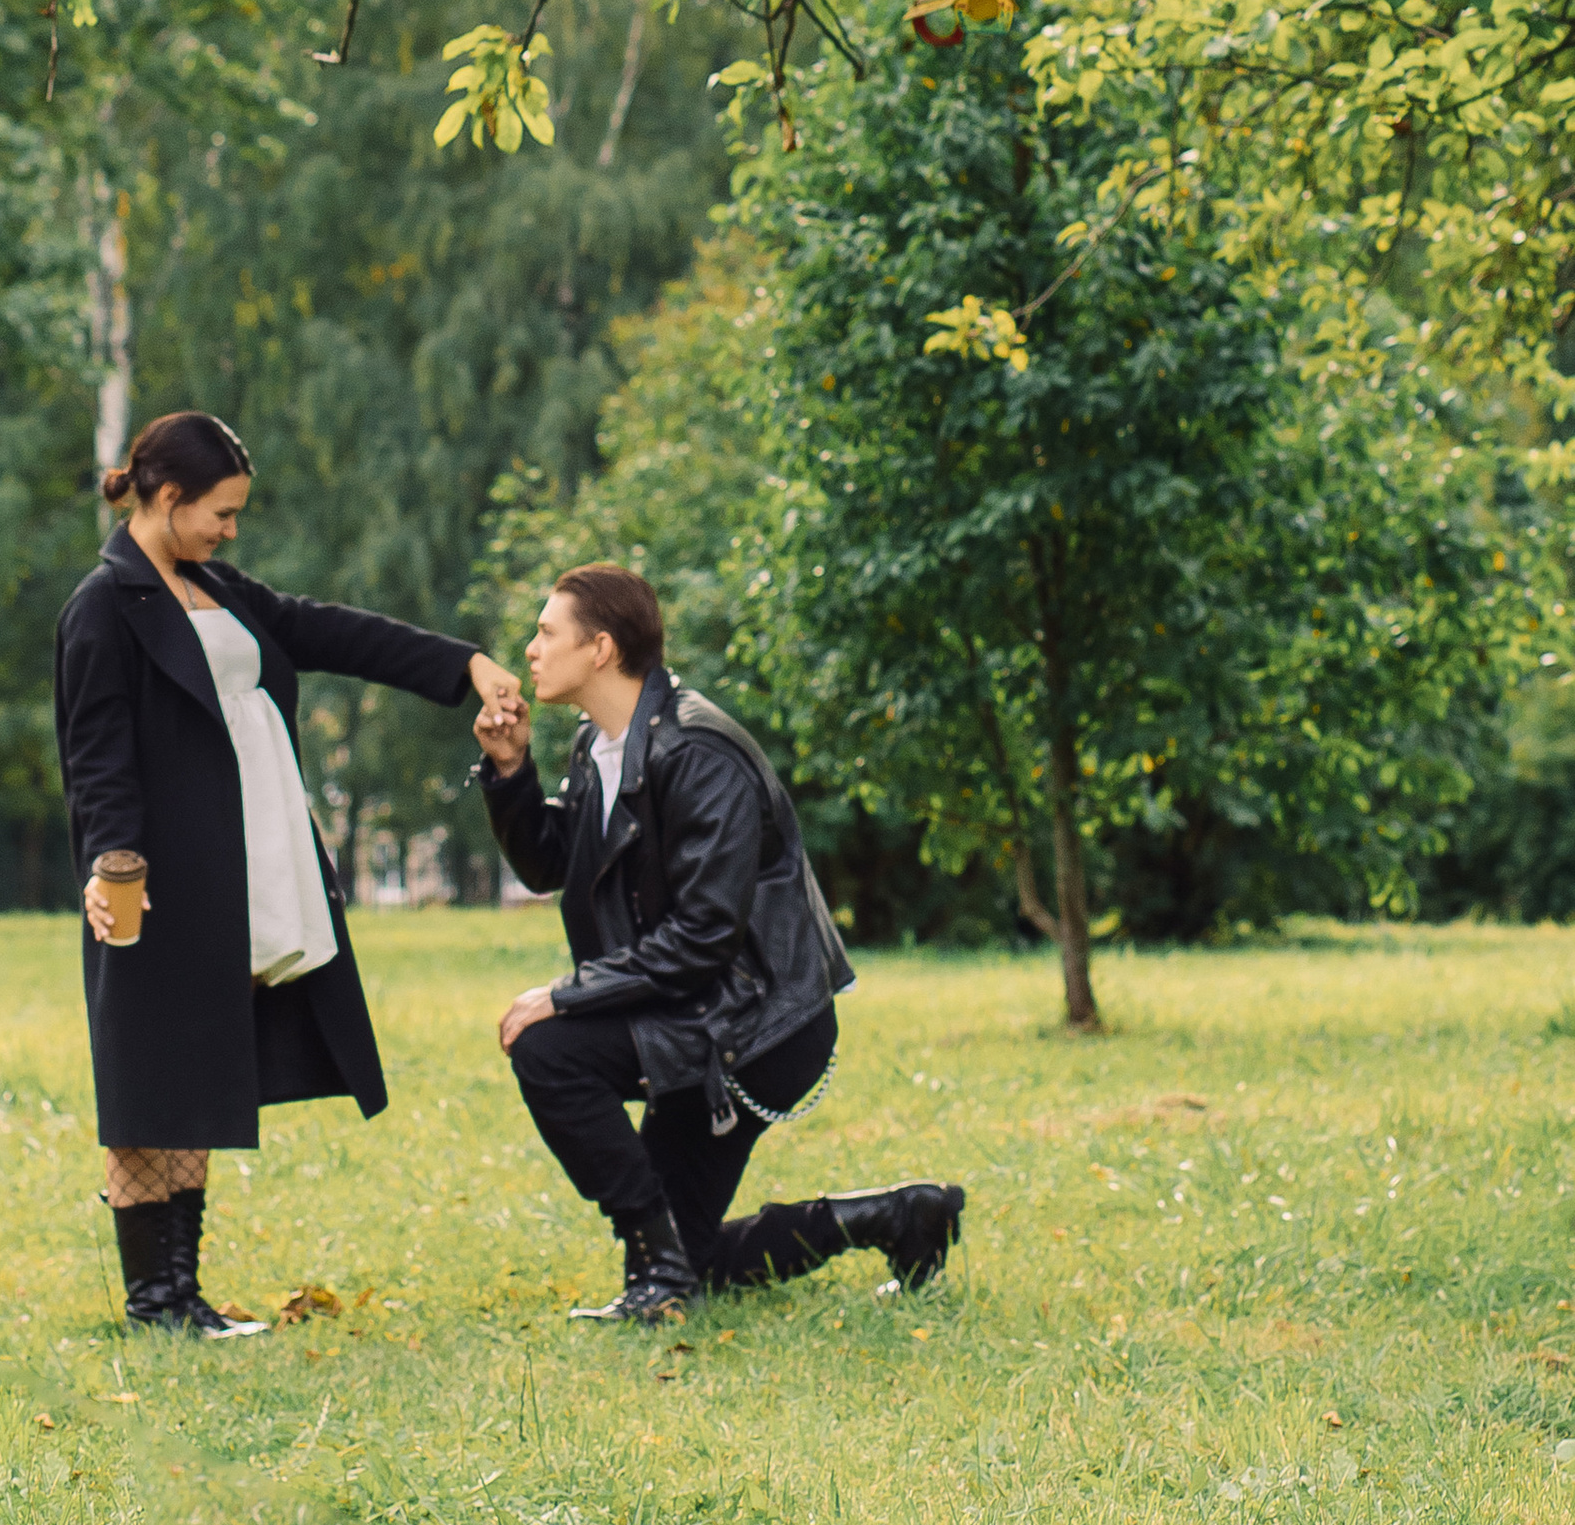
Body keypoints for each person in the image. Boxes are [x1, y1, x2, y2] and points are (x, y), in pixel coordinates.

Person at [55, 409, 528, 1335]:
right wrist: (113, 864)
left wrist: (465, 664)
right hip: (149, 878)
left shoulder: (210, 585)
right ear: (167, 496)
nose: (231, 530)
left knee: (196, 1069)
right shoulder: (103, 607)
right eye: (221, 512)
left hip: (241, 866)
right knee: (150, 1077)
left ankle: (182, 1295)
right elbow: (95, 755)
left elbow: (332, 632)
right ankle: (153, 1302)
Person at [474, 563, 965, 1325]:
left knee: (549, 1048)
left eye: (546, 632)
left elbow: (704, 936)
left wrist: (566, 996)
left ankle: (656, 1269)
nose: (530, 650)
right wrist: (510, 771)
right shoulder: (599, 743)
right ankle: (896, 1217)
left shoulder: (699, 752)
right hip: (690, 1011)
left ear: (601, 649)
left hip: (756, 1024)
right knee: (695, 1254)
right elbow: (551, 864)